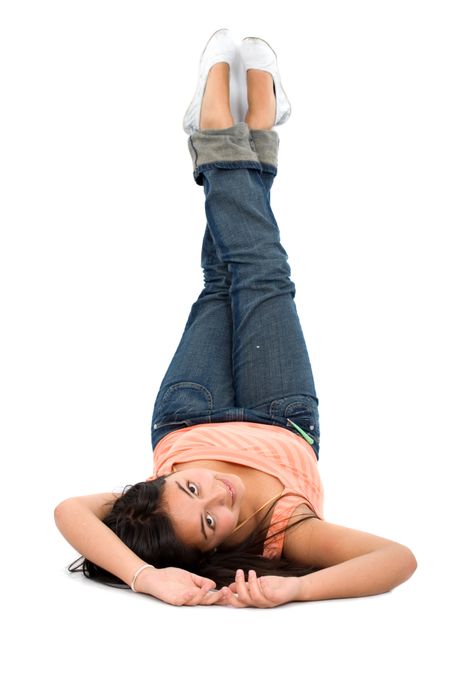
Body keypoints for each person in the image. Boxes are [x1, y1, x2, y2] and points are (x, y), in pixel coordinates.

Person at [54, 29, 417, 608]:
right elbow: (397, 560)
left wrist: (143, 577)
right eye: (210, 523)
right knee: (262, 272)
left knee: (222, 280)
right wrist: (299, 587)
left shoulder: (150, 507)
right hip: (282, 414)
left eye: (189, 489)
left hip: (187, 415)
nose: (218, 494)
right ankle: (232, 133)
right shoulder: (281, 536)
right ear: (210, 554)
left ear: (161, 483)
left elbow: (68, 510)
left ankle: (241, 132)